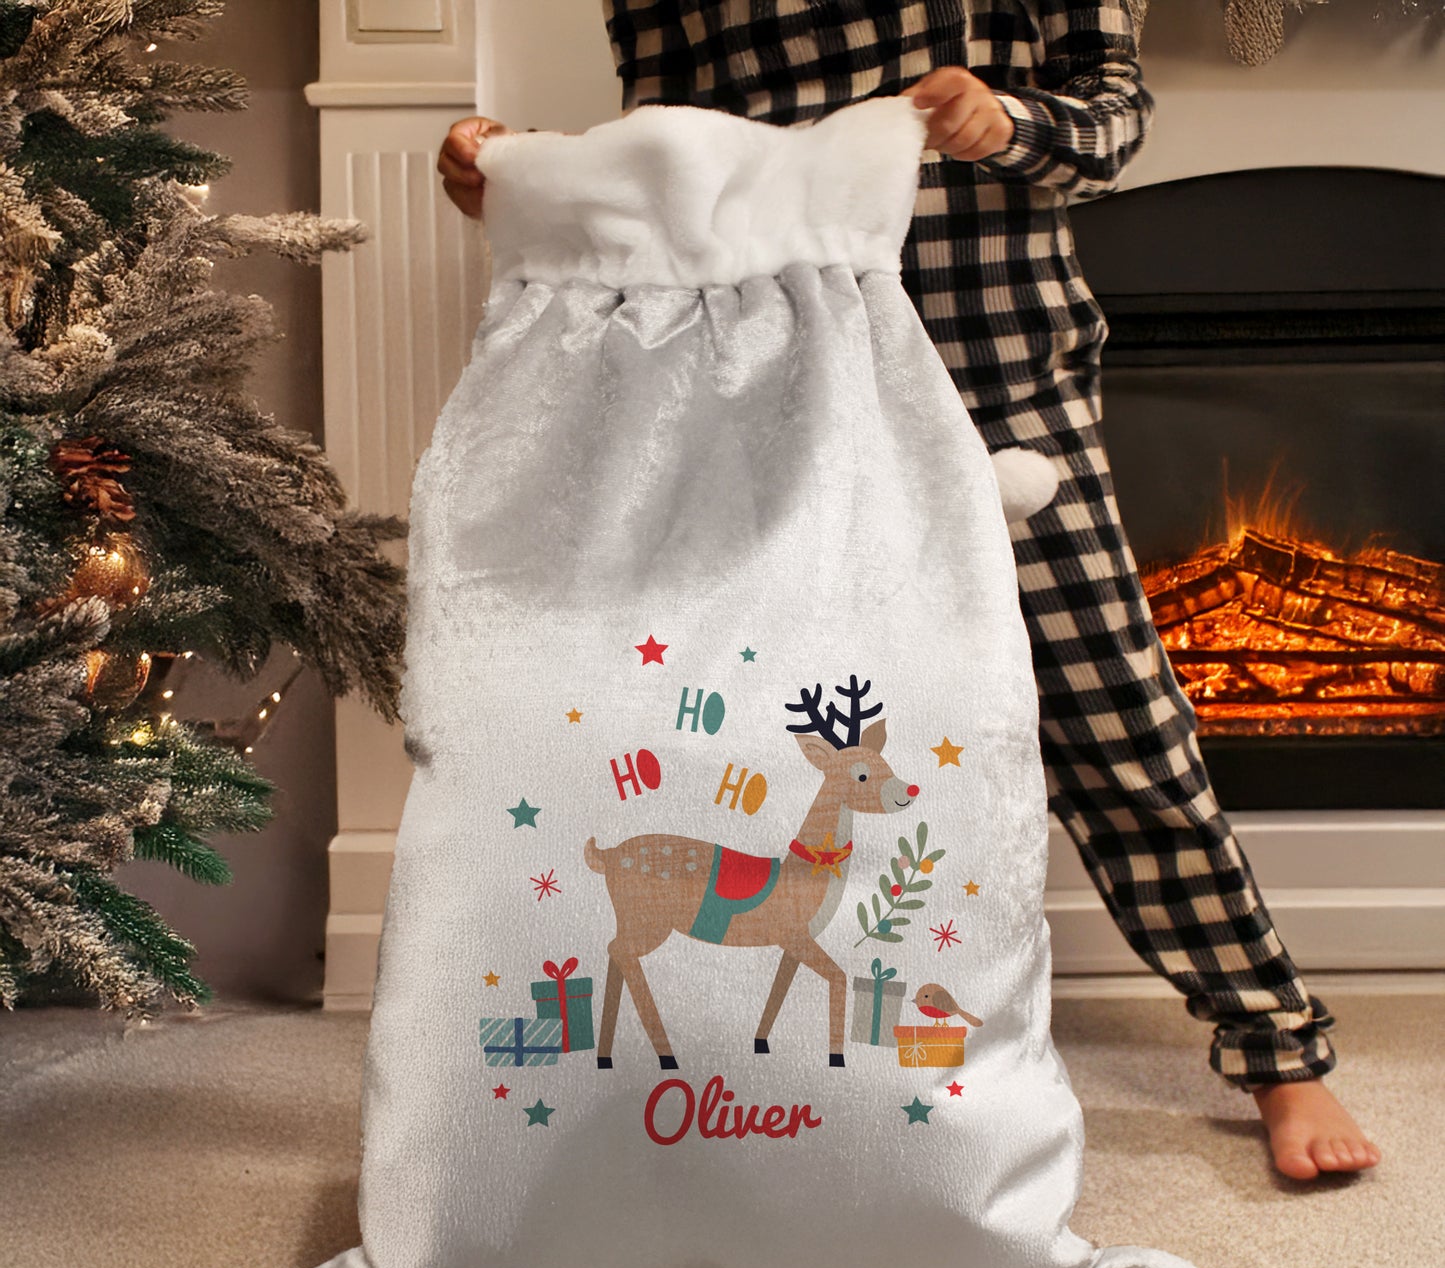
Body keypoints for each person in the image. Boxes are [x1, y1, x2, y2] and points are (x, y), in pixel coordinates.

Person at [435, 0, 1380, 1182]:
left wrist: (1005, 125)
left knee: (1112, 711)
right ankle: (743, 1066)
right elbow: (666, 149)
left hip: (997, 381)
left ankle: (1275, 1044)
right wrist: (525, 182)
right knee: (739, 712)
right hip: (772, 378)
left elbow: (1113, 116)